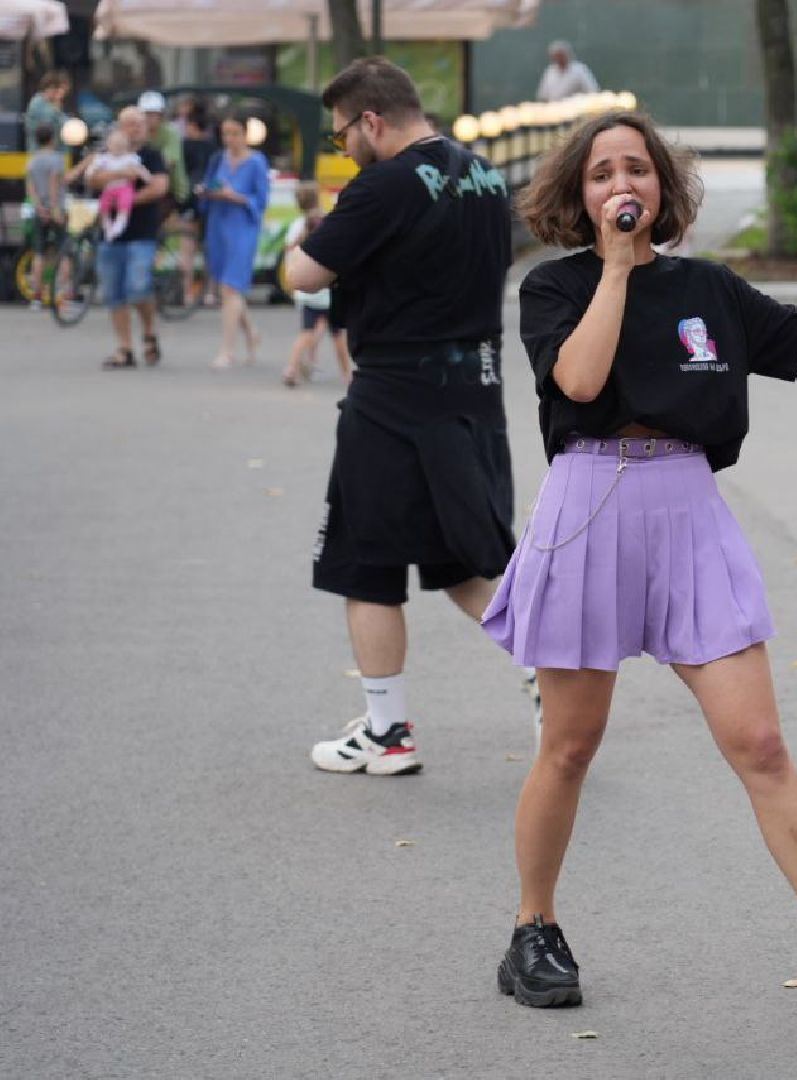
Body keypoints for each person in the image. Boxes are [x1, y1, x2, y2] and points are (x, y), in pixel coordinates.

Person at [481, 110, 797, 1021]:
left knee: (760, 743)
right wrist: (616, 269)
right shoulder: (553, 286)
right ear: (579, 195)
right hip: (588, 506)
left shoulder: (707, 287)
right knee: (570, 745)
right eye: (601, 173)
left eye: (636, 169)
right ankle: (533, 928)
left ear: (662, 187)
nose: (621, 185)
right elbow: (580, 382)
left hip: (686, 508)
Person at [284, 57, 516, 777]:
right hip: (474, 387)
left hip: (392, 393)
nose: (343, 148)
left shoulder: (381, 185)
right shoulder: (486, 177)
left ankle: (387, 732)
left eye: (341, 135)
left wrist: (305, 238)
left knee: (367, 563)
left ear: (371, 120)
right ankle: (551, 669)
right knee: (464, 559)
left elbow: (303, 274)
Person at [87, 106, 169, 370]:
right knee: (114, 293)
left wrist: (128, 201)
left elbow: (159, 186)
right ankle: (125, 348)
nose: (135, 129)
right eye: (130, 124)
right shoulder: (106, 154)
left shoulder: (151, 155)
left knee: (138, 286)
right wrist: (121, 175)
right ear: (119, 128)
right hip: (110, 234)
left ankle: (149, 330)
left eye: (139, 124)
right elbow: (93, 179)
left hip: (142, 232)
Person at [196, 113, 269, 369]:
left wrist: (234, 196)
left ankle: (227, 350)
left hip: (243, 227)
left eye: (235, 133)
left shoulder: (257, 162)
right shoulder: (218, 159)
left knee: (230, 287)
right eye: (226, 133)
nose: (230, 139)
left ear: (245, 134)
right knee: (229, 288)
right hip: (218, 225)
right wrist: (207, 192)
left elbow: (261, 200)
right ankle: (251, 333)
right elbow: (207, 186)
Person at [281, 182, 348, 388]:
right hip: (325, 291)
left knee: (307, 331)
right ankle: (347, 374)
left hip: (304, 291)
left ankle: (293, 367)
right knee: (337, 334)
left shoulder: (297, 226)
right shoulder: (325, 222)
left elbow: (289, 251)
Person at [178, 102, 219, 305]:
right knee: (209, 249)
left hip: (189, 200)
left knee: (187, 248)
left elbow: (181, 174)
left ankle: (187, 292)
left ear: (192, 126)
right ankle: (211, 292)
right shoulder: (215, 148)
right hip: (211, 200)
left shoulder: (185, 145)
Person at [24, 125, 66, 310]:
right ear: (52, 139)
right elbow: (53, 184)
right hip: (56, 209)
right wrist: (53, 208)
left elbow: (30, 187)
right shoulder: (57, 159)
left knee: (39, 254)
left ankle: (37, 297)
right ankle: (63, 295)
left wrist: (39, 207)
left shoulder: (32, 160)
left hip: (39, 211)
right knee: (64, 252)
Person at [84, 129, 151, 241]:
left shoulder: (130, 158)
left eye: (120, 144)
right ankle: (107, 226)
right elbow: (92, 169)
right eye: (115, 144)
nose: (117, 147)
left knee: (125, 203)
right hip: (109, 188)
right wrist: (89, 173)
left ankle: (120, 223)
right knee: (104, 205)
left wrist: (146, 177)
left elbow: (139, 169)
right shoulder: (104, 158)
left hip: (124, 187)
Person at [138, 91, 188, 210]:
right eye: (146, 114)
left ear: (161, 115)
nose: (149, 118)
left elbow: (168, 162)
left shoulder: (171, 133)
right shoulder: (139, 133)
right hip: (145, 187)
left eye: (153, 114)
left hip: (172, 192)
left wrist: (139, 170)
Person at [25, 71, 70, 151]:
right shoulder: (37, 102)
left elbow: (65, 124)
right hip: (39, 151)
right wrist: (56, 105)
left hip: (57, 151)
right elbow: (47, 121)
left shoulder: (53, 104)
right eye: (52, 88)